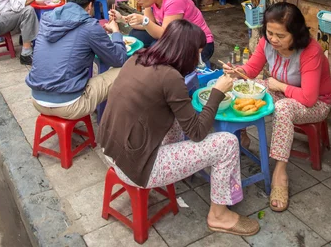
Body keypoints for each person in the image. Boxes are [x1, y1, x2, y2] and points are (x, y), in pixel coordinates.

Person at [98, 20, 259, 237]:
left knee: (177, 117)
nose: (200, 60)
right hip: (137, 168)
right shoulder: (170, 77)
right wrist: (217, 92)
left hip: (114, 152)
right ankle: (219, 216)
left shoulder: (139, 57)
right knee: (227, 143)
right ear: (186, 51)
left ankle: (181, 167)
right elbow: (198, 133)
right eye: (198, 53)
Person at [223, 2, 331, 213]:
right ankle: (242, 133)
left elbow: (309, 98)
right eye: (269, 32)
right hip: (283, 91)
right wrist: (237, 71)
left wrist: (281, 86)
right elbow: (252, 70)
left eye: (281, 36)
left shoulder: (310, 51)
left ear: (296, 33)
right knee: (242, 87)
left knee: (283, 108)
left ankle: (279, 174)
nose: (273, 39)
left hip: (317, 102)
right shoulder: (267, 42)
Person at [26, 0, 127, 119]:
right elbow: (119, 59)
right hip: (69, 105)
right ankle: (113, 119)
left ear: (66, 1)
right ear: (90, 5)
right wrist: (116, 32)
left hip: (37, 100)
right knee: (126, 70)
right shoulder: (90, 25)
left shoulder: (47, 20)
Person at [110, 0, 215, 65]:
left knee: (156, 52)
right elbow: (148, 26)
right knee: (136, 34)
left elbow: (165, 34)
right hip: (175, 38)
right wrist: (122, 19)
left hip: (198, 45)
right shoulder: (151, 1)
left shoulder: (174, 1)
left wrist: (144, 20)